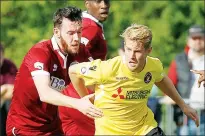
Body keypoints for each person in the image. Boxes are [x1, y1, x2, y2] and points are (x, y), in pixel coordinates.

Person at [69, 24, 199, 135]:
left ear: (149, 50)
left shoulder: (154, 65)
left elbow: (161, 79)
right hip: (111, 132)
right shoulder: (108, 68)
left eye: (137, 51)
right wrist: (85, 99)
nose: (131, 56)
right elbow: (73, 71)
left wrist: (183, 106)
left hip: (144, 128)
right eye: (128, 49)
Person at [6, 6, 103, 136]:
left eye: (79, 32)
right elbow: (45, 93)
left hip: (52, 127)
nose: (76, 38)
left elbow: (98, 78)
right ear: (56, 32)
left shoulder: (80, 51)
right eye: (70, 33)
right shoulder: (40, 52)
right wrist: (79, 104)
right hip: (24, 127)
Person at [58, 0, 110, 135]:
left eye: (107, 1)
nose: (104, 5)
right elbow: (72, 54)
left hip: (71, 97)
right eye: (98, 1)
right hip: (81, 96)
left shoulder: (87, 24)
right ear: (87, 3)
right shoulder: (89, 27)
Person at [168, 25, 204, 135]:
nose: (197, 41)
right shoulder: (179, 59)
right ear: (188, 41)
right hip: (185, 115)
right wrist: (169, 96)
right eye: (194, 38)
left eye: (200, 38)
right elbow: (169, 83)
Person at [0, 43, 18, 136]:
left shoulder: (9, 66)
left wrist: (4, 89)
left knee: (11, 103)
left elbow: (15, 90)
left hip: (5, 102)